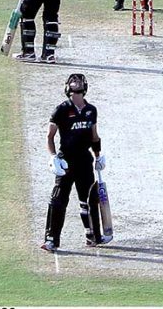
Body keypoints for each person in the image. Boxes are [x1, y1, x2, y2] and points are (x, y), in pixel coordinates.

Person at [41, 73, 108, 252]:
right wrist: (53, 157)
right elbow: (50, 137)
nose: (75, 82)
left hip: (85, 160)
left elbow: (94, 136)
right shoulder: (61, 110)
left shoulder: (91, 110)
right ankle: (51, 239)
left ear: (84, 86)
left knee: (89, 199)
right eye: (72, 81)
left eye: (78, 80)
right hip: (66, 161)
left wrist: (98, 156)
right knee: (58, 199)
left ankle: (93, 236)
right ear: (67, 87)